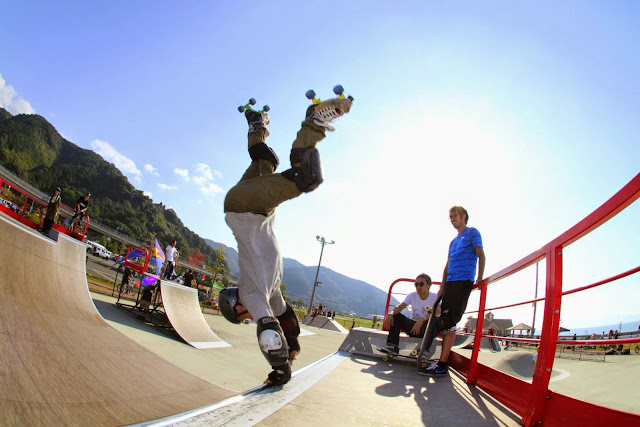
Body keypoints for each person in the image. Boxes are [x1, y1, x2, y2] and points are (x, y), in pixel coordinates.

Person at [217, 92, 353, 386]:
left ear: (237, 306)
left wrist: (280, 369)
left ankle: (313, 122)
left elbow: (268, 330)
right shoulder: (270, 291)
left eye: (243, 318)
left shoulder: (251, 294)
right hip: (247, 204)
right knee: (266, 159)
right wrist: (292, 345)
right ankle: (256, 124)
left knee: (306, 177)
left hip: (245, 207)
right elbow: (285, 317)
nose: (248, 318)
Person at [419, 205, 485, 376]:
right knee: (442, 319)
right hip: (449, 283)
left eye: (455, 215)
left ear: (464, 217)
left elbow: (481, 255)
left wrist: (479, 277)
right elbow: (447, 265)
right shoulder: (453, 242)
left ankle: (441, 363)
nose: (452, 219)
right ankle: (439, 362)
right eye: (450, 217)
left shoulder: (472, 233)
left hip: (462, 281)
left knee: (449, 320)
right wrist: (442, 286)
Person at [380, 273, 438, 355]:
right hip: (413, 328)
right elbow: (400, 307)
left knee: (434, 320)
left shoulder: (434, 297)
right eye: (416, 284)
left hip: (426, 329)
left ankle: (424, 351)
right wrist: (390, 314)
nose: (418, 287)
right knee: (396, 316)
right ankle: (392, 347)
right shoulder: (412, 295)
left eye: (421, 284)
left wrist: (422, 319)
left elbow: (438, 311)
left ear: (428, 285)